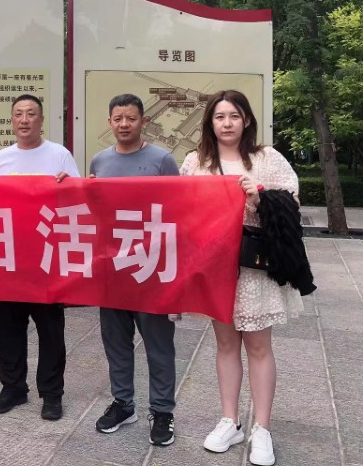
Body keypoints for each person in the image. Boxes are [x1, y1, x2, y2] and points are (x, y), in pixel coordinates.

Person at [180, 90, 302, 466]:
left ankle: (261, 428)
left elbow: (293, 203)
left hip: (254, 268)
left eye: (234, 116)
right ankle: (229, 420)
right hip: (216, 267)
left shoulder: (267, 158)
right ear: (210, 122)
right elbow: (181, 208)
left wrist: (260, 195)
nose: (227, 123)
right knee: (226, 344)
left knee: (259, 346)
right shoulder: (196, 161)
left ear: (246, 120)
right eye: (220, 117)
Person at [0, 94, 80, 421]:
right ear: (12, 120)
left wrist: (68, 186)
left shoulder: (59, 155)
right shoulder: (2, 158)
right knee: (7, 328)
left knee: (50, 331)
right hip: (9, 259)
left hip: (46, 259)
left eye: (31, 114)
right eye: (19, 114)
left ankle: (51, 393)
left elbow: (77, 200)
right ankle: (13, 388)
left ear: (41, 120)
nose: (24, 120)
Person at [89, 94, 179, 446]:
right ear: (109, 122)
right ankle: (123, 404)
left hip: (151, 269)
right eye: (118, 118)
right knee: (116, 343)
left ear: (144, 121)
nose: (124, 124)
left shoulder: (162, 160)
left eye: (131, 118)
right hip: (112, 269)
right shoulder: (100, 160)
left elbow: (178, 213)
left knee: (158, 346)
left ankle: (163, 411)